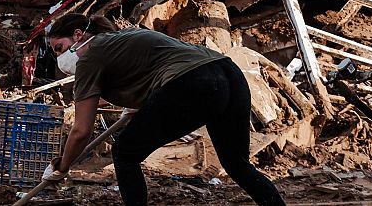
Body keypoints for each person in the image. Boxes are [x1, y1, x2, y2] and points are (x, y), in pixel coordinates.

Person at [45, 13, 286, 206]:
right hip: (228, 74)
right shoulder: (121, 39)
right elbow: (149, 72)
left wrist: (62, 167)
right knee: (237, 165)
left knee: (125, 153)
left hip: (193, 82)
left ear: (78, 35)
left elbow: (81, 130)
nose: (59, 58)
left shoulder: (90, 57)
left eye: (59, 48)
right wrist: (142, 104)